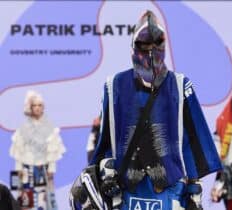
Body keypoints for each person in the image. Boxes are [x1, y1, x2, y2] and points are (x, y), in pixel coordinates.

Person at [70, 10, 222, 210]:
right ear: (134, 46)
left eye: (155, 44)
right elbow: (107, 138)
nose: (150, 51)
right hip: (126, 190)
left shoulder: (179, 85)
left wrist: (194, 191)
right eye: (144, 45)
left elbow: (191, 140)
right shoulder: (114, 85)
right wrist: (106, 173)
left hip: (168, 188)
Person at [10, 90, 66, 210]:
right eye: (34, 105)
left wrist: (51, 168)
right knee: (25, 202)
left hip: (41, 170)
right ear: (29, 107)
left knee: (43, 202)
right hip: (26, 170)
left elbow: (53, 150)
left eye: (39, 105)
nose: (37, 108)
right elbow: (18, 151)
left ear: (43, 107)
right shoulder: (23, 128)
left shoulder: (49, 127)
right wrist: (18, 169)